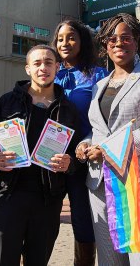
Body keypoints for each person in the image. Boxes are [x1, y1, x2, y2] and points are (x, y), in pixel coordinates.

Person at [76, 13, 140, 265]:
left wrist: (108, 150)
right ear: (105, 44)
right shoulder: (99, 85)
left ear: (137, 41)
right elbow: (98, 129)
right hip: (99, 184)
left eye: (126, 38)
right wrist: (84, 143)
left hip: (137, 183)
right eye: (112, 39)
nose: (119, 43)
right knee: (109, 261)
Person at [0, 44, 80, 266]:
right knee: (1, 261)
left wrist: (70, 163)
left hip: (48, 200)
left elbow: (77, 153)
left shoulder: (68, 109)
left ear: (57, 67)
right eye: (37, 63)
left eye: (48, 63)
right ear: (28, 69)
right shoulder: (8, 101)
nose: (43, 68)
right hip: (10, 195)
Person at [51, 19, 109, 265]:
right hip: (50, 157)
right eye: (61, 38)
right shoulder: (50, 70)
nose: (65, 42)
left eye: (71, 37)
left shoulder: (98, 74)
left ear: (82, 40)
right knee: (41, 216)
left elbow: (106, 117)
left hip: (82, 159)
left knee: (83, 221)